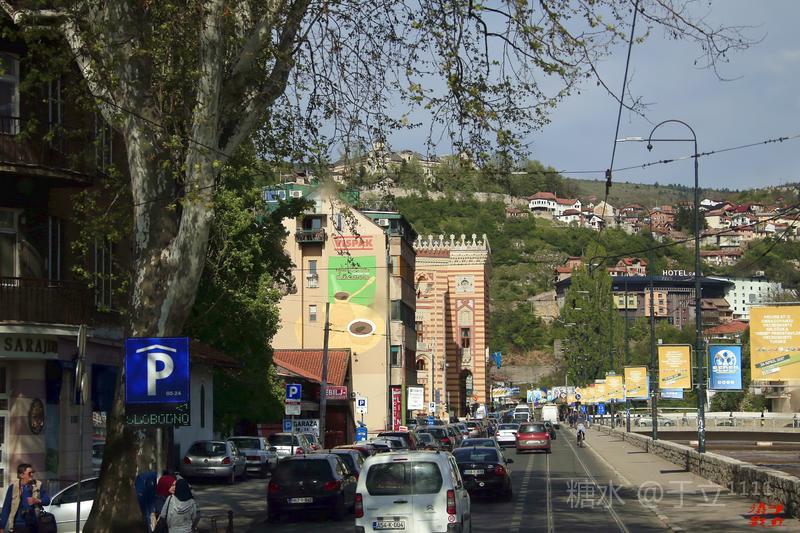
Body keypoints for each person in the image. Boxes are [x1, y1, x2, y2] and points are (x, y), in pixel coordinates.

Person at [0, 463, 51, 533]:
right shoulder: (13, 487)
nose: (32, 474)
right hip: (17, 525)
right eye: (29, 473)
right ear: (21, 475)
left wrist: (37, 500)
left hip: (34, 525)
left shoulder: (38, 485)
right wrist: (2, 527)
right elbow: (6, 507)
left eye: (33, 472)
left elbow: (47, 500)